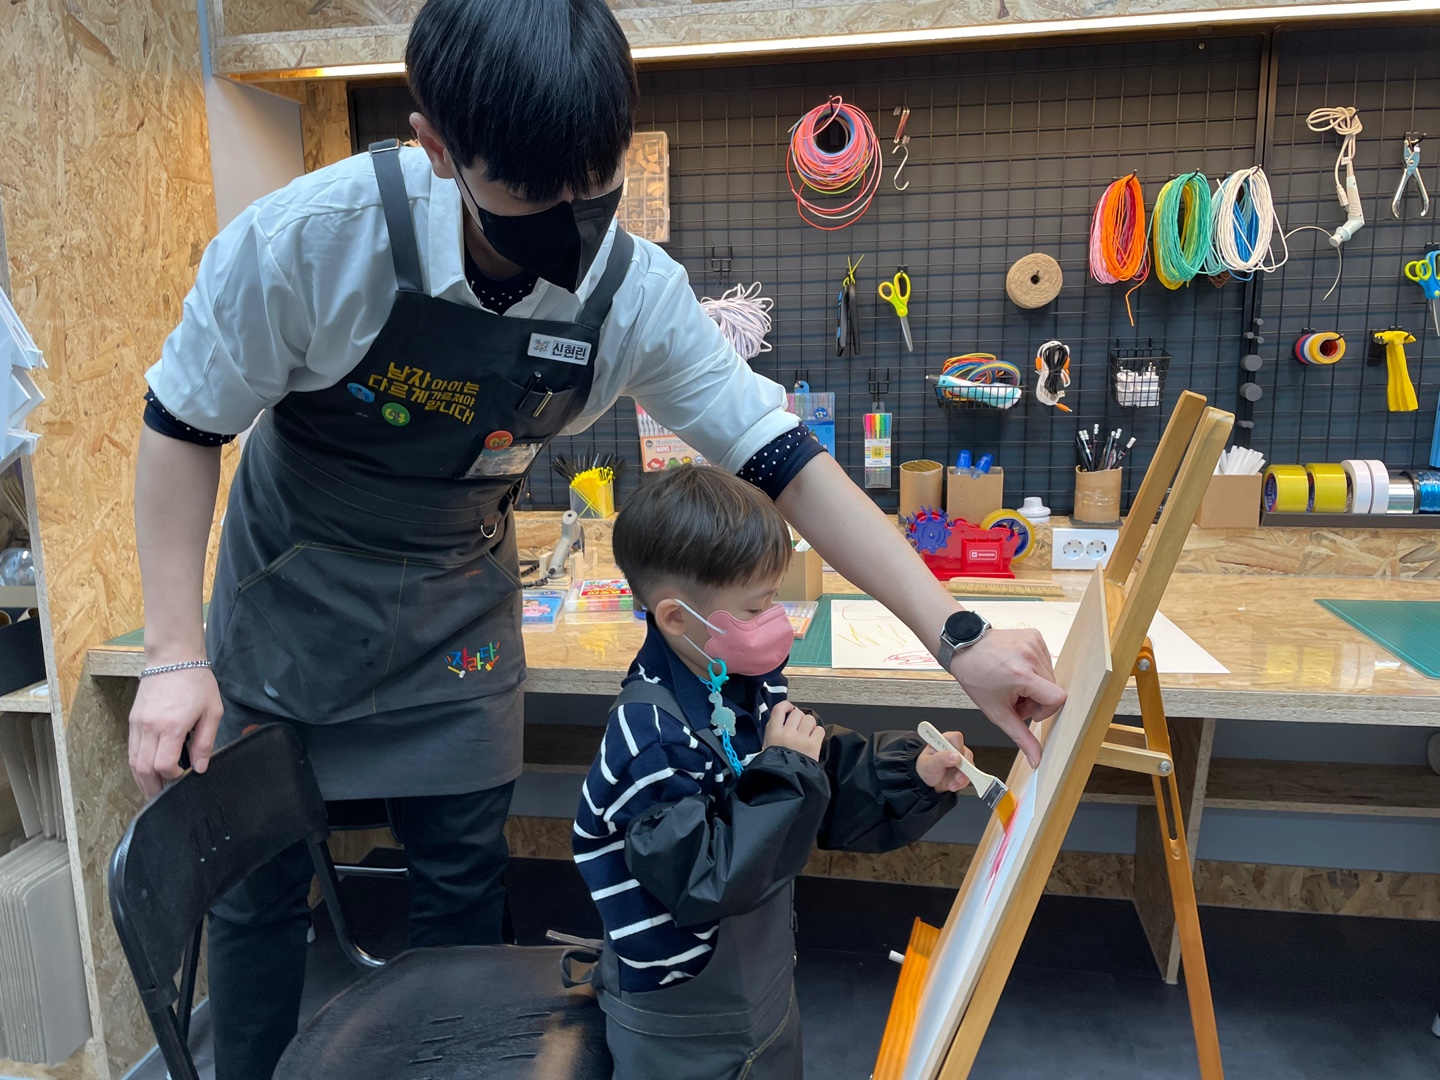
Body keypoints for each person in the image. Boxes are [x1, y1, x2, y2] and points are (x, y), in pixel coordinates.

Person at [127, 0, 1063, 1075]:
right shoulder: (309, 244)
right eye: (535, 196)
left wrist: (959, 638)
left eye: (594, 182)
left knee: (461, 886)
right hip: (290, 598)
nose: (573, 222)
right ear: (436, 147)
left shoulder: (634, 295)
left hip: (453, 611)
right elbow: (181, 425)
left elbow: (787, 460)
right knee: (256, 896)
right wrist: (173, 655)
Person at [574, 466, 975, 1079]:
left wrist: (910, 775)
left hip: (761, 992)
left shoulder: (741, 682)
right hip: (684, 1023)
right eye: (756, 607)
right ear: (676, 618)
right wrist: (785, 769)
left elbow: (812, 785)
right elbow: (706, 881)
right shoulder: (648, 741)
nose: (775, 619)